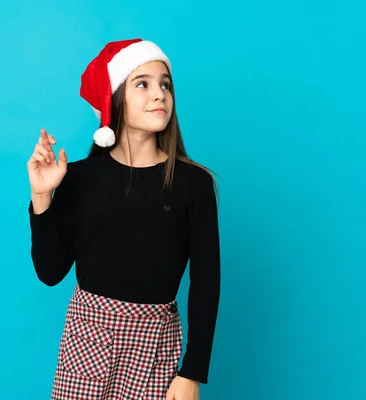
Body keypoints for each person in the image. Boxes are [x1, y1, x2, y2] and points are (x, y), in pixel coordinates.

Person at [27, 38, 221, 400]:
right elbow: (50, 272)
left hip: (156, 348)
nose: (160, 93)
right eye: (142, 83)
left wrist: (192, 371)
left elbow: (207, 282)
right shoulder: (80, 178)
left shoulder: (194, 184)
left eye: (165, 84)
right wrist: (42, 196)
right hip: (86, 344)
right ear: (114, 99)